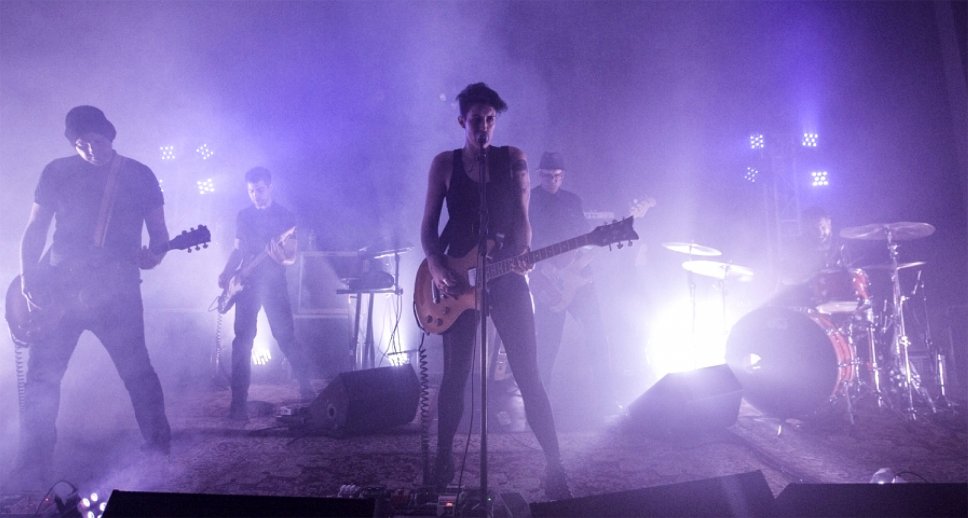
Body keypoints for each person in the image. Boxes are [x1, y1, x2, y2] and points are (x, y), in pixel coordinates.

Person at [419, 83, 570, 499]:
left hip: (505, 276)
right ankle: (444, 460)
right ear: (461, 122)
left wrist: (522, 252)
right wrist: (436, 264)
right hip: (458, 280)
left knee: (528, 375)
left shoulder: (513, 159)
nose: (483, 126)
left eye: (489, 119)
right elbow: (428, 226)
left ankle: (555, 466)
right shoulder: (444, 164)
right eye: (476, 120)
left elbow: (524, 218)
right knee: (455, 377)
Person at [12, 105, 172, 488]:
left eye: (96, 141)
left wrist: (155, 256)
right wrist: (28, 279)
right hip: (59, 292)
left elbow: (160, 235)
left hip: (117, 294)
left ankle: (159, 452)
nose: (89, 150)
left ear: (110, 135)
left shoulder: (138, 174)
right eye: (81, 144)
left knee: (138, 373)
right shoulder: (56, 171)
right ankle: (33, 465)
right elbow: (35, 228)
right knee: (42, 378)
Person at [218, 167, 314, 421]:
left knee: (285, 337)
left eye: (259, 190)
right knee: (242, 342)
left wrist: (280, 256)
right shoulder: (244, 216)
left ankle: (307, 388)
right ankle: (238, 403)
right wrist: (227, 272)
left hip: (274, 285)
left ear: (270, 187)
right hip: (247, 286)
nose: (255, 195)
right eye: (251, 191)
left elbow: (291, 257)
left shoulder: (285, 216)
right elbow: (238, 249)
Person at [528, 152, 616, 415]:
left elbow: (585, 236)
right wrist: (543, 268)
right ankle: (540, 405)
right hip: (547, 279)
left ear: (563, 176)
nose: (552, 180)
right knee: (547, 344)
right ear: (539, 174)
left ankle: (608, 401)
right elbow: (524, 240)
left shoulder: (572, 201)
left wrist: (594, 246)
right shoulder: (530, 200)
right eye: (547, 176)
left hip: (579, 280)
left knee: (597, 336)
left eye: (557, 176)